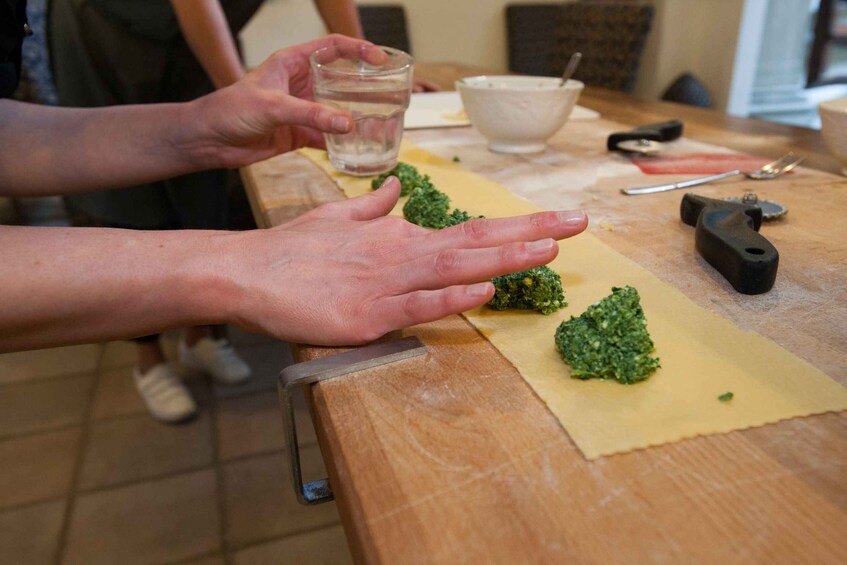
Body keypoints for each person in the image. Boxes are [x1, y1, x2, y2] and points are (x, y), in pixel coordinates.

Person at [1, 31, 588, 392]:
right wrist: (234, 265)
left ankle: (203, 342)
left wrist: (198, 130)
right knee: (137, 209)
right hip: (109, 50)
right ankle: (158, 358)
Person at [45, 0, 392, 422]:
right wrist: (247, 96)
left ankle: (201, 336)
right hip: (113, 30)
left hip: (195, 40)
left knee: (211, 178)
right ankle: (149, 356)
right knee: (129, 197)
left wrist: (373, 69)